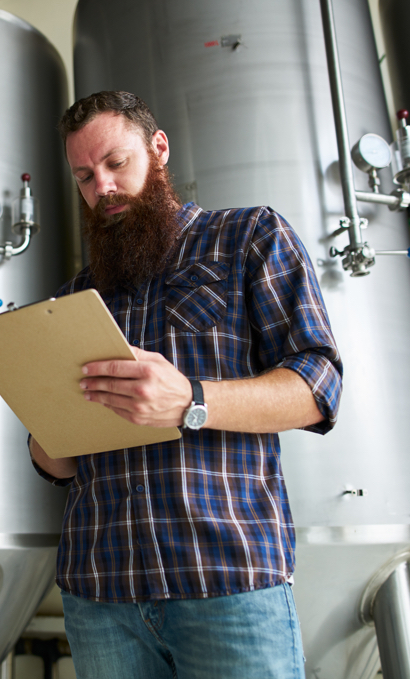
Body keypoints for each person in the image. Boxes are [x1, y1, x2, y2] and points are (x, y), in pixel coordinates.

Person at [29, 91, 342, 679]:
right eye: (85, 176)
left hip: (226, 583)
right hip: (100, 595)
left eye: (116, 163)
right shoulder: (75, 296)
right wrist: (43, 416)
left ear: (158, 147)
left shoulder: (248, 237)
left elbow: (318, 387)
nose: (103, 188)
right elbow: (57, 464)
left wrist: (192, 401)